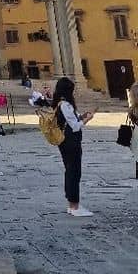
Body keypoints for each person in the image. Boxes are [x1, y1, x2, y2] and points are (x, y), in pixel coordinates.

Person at [52, 77, 95, 217]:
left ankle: (72, 204)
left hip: (65, 142)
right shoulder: (66, 105)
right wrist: (87, 120)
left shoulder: (60, 104)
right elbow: (75, 126)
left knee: (71, 171)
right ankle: (74, 206)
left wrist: (82, 116)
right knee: (74, 172)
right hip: (71, 142)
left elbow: (72, 120)